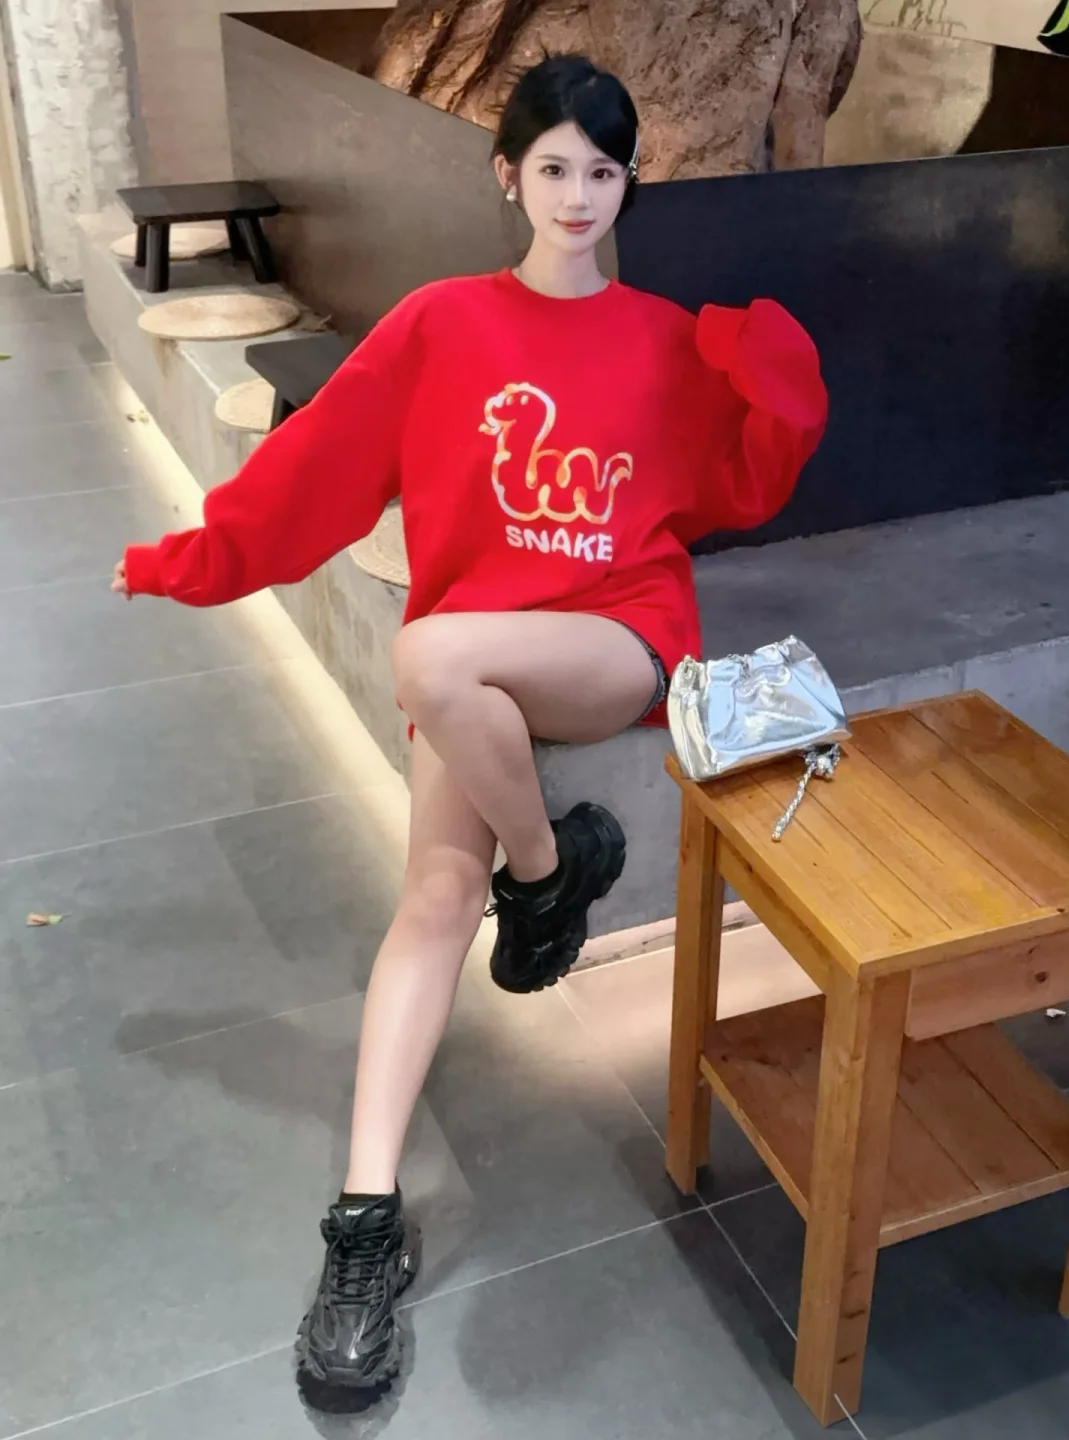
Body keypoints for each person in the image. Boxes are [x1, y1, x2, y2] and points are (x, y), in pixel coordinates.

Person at [112, 54, 827, 1398]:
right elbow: (314, 468)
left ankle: (547, 879)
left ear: (627, 183)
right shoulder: (441, 323)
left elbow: (740, 479)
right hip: (474, 664)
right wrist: (190, 560)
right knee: (435, 901)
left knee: (427, 651)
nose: (576, 195)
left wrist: (766, 371)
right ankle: (364, 1219)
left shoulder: (662, 338)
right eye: (551, 168)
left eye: (601, 172)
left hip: (613, 636)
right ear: (508, 175)